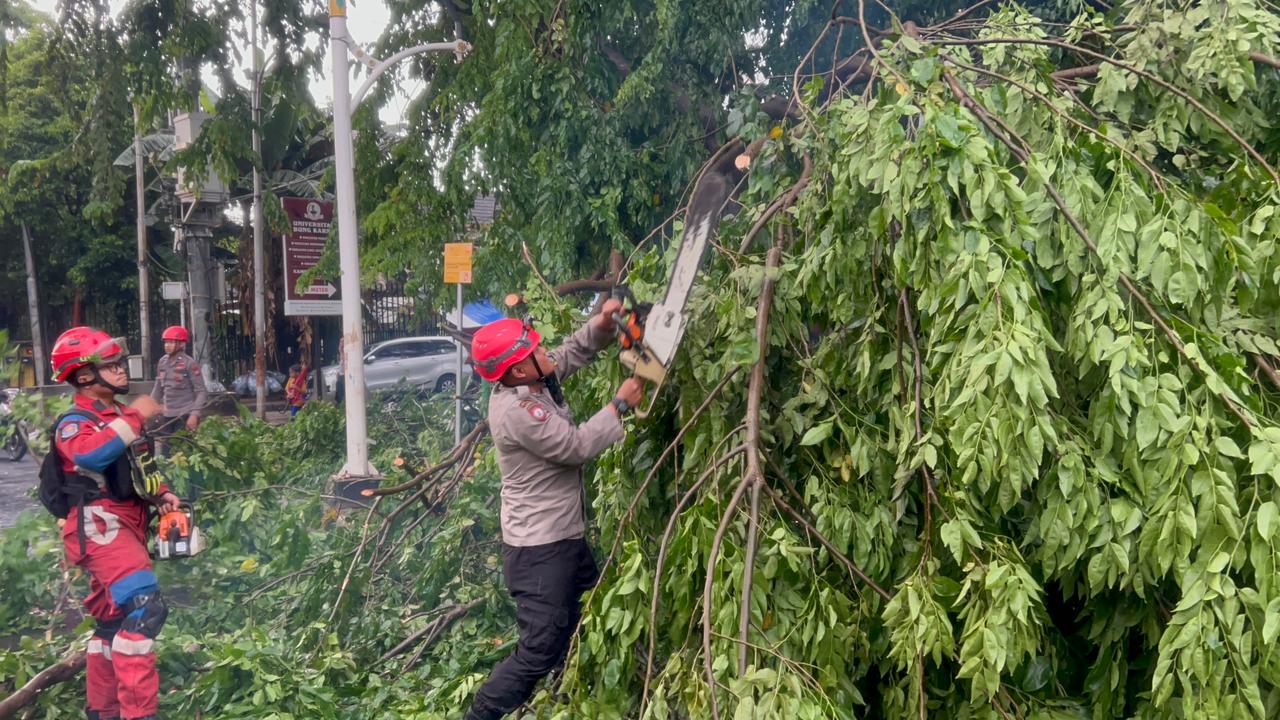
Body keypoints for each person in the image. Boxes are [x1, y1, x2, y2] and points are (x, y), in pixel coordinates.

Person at [463, 300, 644, 720]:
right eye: (537, 352)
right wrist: (619, 405)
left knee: (585, 616)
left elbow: (569, 354)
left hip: (560, 539)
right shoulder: (519, 412)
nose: (548, 355)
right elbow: (575, 447)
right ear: (519, 369)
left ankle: (567, 698)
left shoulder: (529, 378)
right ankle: (481, 715)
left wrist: (600, 326)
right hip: (540, 551)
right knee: (538, 651)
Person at [45, 327, 180, 720]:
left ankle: (102, 712)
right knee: (145, 608)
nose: (121, 368)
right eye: (111, 364)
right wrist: (137, 414)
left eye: (120, 361)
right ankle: (139, 713)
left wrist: (163, 494)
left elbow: (140, 467)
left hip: (126, 524)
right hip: (101, 527)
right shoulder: (76, 421)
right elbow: (90, 455)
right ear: (84, 376)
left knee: (113, 623)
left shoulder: (118, 415)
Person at [151, 325, 207, 456]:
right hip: (167, 416)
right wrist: (150, 406)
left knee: (183, 454)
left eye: (171, 342)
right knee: (165, 454)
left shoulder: (190, 363)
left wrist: (194, 415)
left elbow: (201, 391)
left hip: (185, 415)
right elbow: (158, 387)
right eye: (166, 342)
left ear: (181, 344)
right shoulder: (162, 362)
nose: (167, 346)